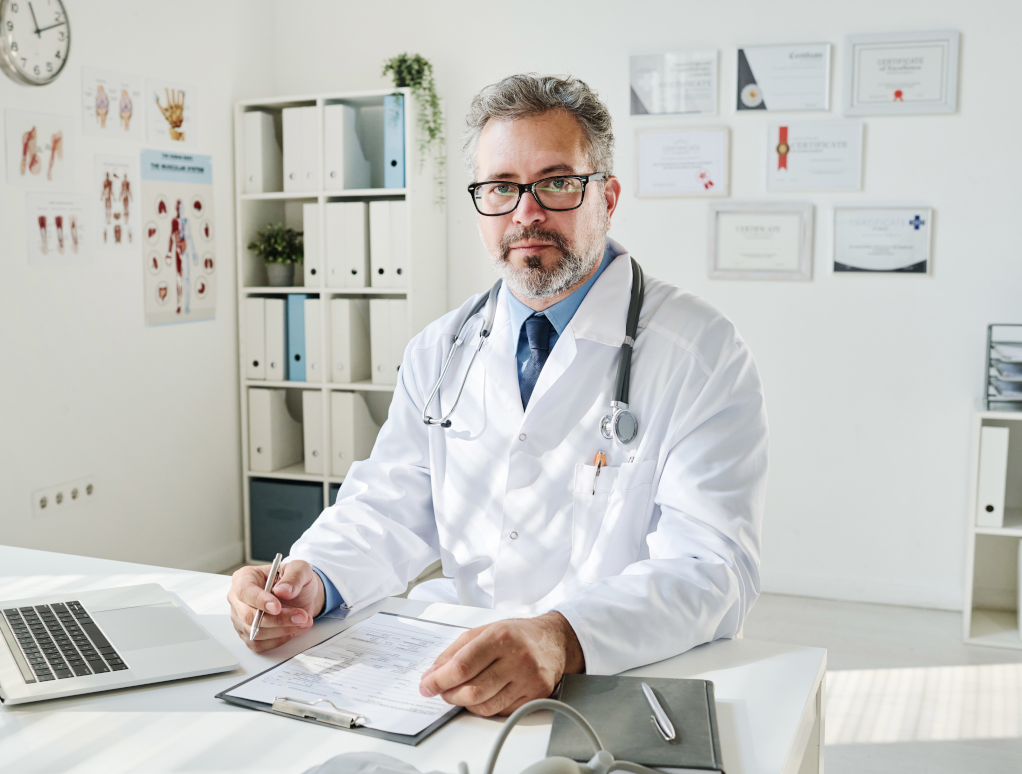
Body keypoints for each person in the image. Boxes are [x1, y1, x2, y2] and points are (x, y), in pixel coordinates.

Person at [227, 74, 768, 718]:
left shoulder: (701, 351)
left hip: (617, 676)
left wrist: (562, 636)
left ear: (608, 197)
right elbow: (391, 502)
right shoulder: (441, 347)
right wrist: (310, 580)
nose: (526, 212)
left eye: (558, 182)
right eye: (501, 188)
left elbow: (712, 568)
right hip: (456, 672)